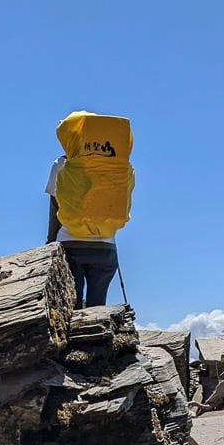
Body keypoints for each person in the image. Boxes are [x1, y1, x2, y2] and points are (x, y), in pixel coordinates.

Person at [45, 111, 135, 308]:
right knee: (97, 309)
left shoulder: (62, 164)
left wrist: (49, 245)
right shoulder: (118, 167)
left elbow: (55, 208)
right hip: (105, 247)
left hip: (69, 244)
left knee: (71, 308)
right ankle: (97, 338)